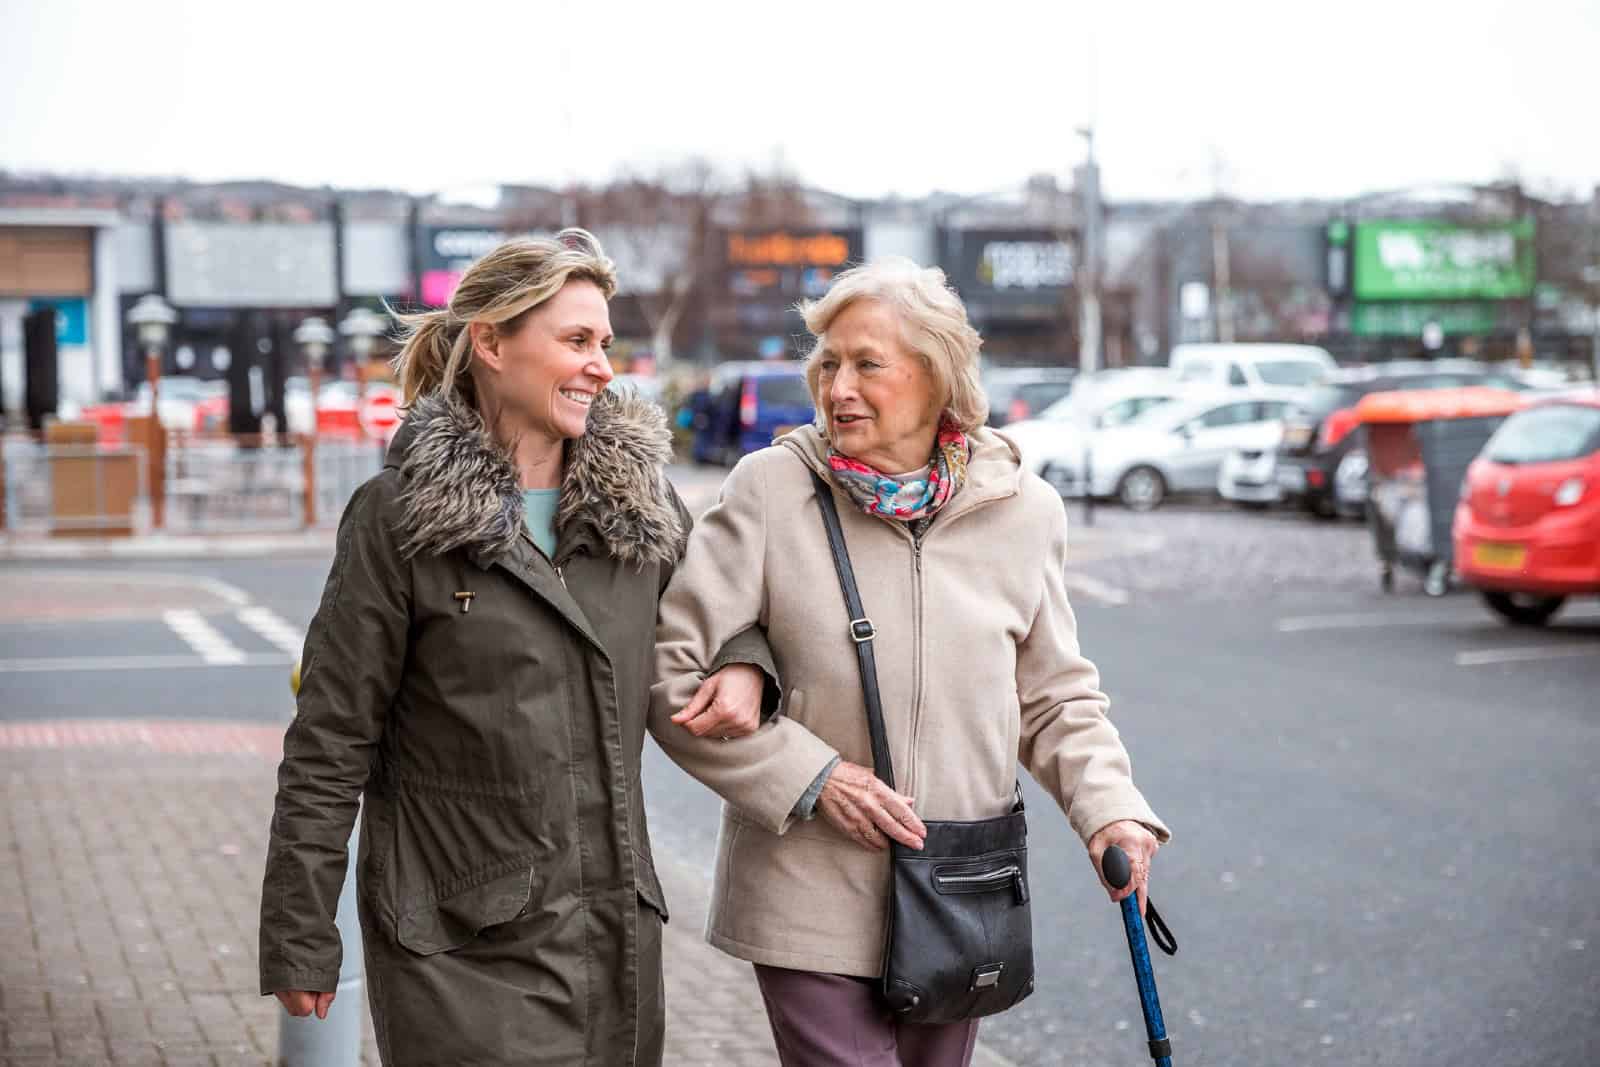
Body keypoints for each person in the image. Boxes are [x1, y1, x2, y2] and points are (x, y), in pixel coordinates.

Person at [259, 230, 773, 1067]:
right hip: (454, 947)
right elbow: (329, 741)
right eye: (576, 340)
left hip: (613, 941)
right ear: (492, 343)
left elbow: (724, 612)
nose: (602, 365)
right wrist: (300, 931)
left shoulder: (637, 504)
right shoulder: (398, 517)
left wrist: (749, 659)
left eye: (605, 343)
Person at [650, 258, 1171, 1067]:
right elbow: (670, 674)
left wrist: (1110, 806)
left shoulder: (1023, 511)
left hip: (962, 884)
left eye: (867, 363)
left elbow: (1054, 692)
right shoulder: (770, 490)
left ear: (938, 376)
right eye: (827, 363)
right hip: (806, 886)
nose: (837, 386)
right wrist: (812, 775)